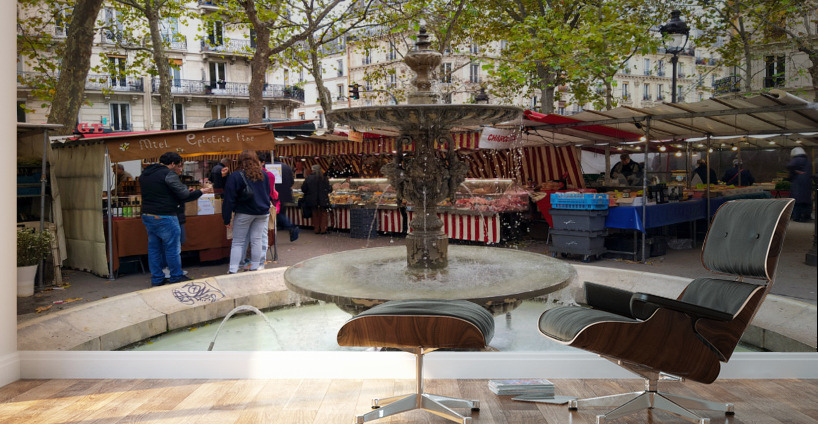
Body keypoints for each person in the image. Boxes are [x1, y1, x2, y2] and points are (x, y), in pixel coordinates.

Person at [140, 152, 209, 286]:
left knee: (154, 248)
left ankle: (157, 278)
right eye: (179, 165)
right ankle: (176, 276)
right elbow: (183, 195)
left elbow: (161, 192)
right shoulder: (168, 174)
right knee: (172, 248)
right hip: (165, 215)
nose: (180, 168)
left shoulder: (145, 174)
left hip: (147, 214)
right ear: (172, 164)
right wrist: (200, 192)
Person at [222, 150, 272, 274]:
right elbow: (268, 193)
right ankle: (255, 267)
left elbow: (229, 199)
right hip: (262, 212)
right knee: (257, 240)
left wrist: (227, 218)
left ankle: (233, 269)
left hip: (244, 212)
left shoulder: (236, 176)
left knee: (238, 241)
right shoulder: (263, 175)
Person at [273, 155, 300, 242]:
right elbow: (292, 181)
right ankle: (283, 226)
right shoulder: (286, 166)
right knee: (280, 212)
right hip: (285, 194)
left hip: (275, 194)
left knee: (278, 212)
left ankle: (290, 226)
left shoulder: (268, 167)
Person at [301, 164, 332, 234]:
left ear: (313, 170)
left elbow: (303, 189)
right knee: (323, 214)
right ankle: (323, 229)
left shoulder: (309, 178)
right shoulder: (324, 178)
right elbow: (329, 189)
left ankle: (316, 229)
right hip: (323, 199)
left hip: (313, 199)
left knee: (315, 214)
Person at [787, 147, 813, 222]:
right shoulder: (807, 161)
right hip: (807, 185)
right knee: (806, 202)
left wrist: (795, 172)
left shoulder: (796, 159)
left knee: (797, 202)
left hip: (797, 185)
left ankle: (797, 217)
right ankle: (806, 217)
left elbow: (789, 166)